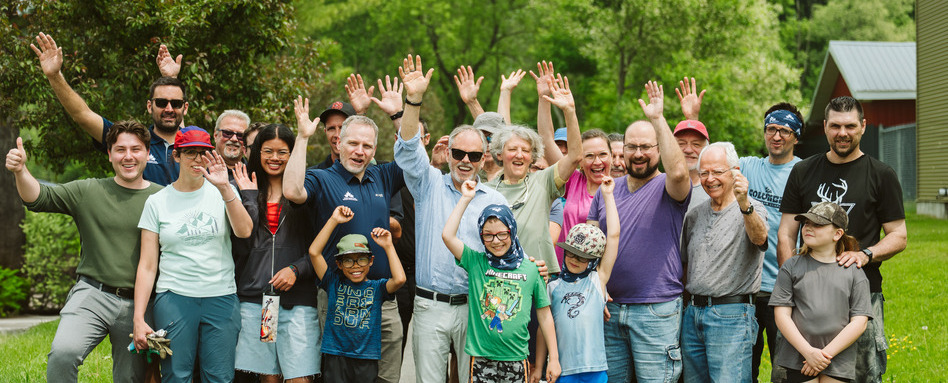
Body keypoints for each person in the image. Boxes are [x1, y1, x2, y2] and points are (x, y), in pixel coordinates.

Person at [6, 121, 163, 383]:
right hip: (92, 294)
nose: (128, 156)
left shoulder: (163, 198)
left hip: (141, 303)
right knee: (63, 354)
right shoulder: (88, 190)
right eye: (120, 149)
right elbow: (38, 198)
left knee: (131, 378)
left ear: (148, 154)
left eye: (136, 149)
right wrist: (21, 170)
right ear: (109, 154)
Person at [395, 54, 509, 383]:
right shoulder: (428, 184)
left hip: (476, 305)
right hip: (430, 305)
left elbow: (505, 253)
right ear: (448, 152)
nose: (465, 160)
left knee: (476, 379)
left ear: (482, 158)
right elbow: (406, 149)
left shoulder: (496, 200)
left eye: (473, 155)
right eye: (458, 153)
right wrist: (413, 100)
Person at [778, 96, 907, 383]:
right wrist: (793, 280)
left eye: (850, 126)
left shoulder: (882, 175)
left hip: (861, 295)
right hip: (806, 297)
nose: (842, 133)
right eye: (835, 126)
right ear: (824, 127)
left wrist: (866, 254)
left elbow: (898, 235)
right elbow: (786, 231)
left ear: (863, 126)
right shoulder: (803, 171)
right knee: (798, 372)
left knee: (862, 374)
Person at [285, 97, 407, 383]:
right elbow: (292, 191)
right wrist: (303, 137)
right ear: (338, 143)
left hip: (382, 298)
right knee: (338, 378)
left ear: (374, 150)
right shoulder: (321, 178)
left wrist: (400, 114)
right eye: (353, 144)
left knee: (387, 377)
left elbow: (412, 156)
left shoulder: (384, 176)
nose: (359, 151)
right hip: (337, 298)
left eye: (367, 146)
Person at [585, 81, 691, 382]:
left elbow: (680, 172)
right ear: (622, 151)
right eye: (632, 147)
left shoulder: (669, 187)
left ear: (658, 148)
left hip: (655, 310)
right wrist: (595, 285)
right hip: (609, 309)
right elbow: (589, 248)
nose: (638, 153)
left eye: (646, 146)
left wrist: (658, 120)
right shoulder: (608, 189)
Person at [132, 126, 253, 382]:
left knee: (219, 377)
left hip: (221, 296)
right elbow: (147, 265)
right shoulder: (157, 201)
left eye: (204, 153)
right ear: (176, 156)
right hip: (175, 298)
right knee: (176, 375)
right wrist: (139, 318)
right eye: (190, 153)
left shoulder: (224, 192)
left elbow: (244, 231)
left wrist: (224, 189)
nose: (198, 159)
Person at [442, 182, 560, 383]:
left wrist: (554, 359)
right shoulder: (476, 262)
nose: (496, 241)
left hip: (516, 359)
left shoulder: (531, 268)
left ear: (512, 232)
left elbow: (545, 315)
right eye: (488, 235)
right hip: (481, 359)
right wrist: (465, 198)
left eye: (502, 234)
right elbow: (447, 236)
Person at [31, 32, 187, 185]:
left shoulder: (197, 148)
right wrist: (54, 76)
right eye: (161, 102)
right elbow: (82, 115)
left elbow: (184, 134)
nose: (169, 109)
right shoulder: (132, 142)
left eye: (176, 104)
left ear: (184, 108)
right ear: (149, 106)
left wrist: (172, 79)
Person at [231, 124, 320, 382]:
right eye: (268, 151)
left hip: (298, 301)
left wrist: (297, 269)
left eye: (283, 152)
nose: (275, 158)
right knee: (269, 377)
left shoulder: (306, 192)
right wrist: (248, 197)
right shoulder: (245, 189)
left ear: (293, 155)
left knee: (299, 377)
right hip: (259, 302)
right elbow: (241, 247)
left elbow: (321, 246)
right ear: (257, 152)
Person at [680, 142, 768, 383]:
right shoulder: (694, 214)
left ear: (735, 171)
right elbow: (686, 266)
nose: (710, 179)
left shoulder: (752, 209)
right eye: (704, 172)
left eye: (717, 172)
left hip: (731, 315)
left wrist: (745, 205)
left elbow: (760, 238)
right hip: (693, 315)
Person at [485, 75, 581, 275]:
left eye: (525, 150)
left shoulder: (544, 181)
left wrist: (569, 111)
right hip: (497, 280)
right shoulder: (486, 191)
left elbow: (574, 156)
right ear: (500, 154)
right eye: (513, 149)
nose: (519, 154)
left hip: (538, 277)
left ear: (532, 157)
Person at [770, 202, 871, 383]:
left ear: (837, 234)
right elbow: (782, 316)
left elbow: (859, 322)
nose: (808, 228)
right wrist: (808, 352)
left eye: (818, 224)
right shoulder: (791, 267)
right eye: (806, 223)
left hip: (838, 357)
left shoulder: (854, 272)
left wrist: (825, 355)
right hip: (798, 356)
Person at [741, 103, 805, 382]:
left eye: (784, 131)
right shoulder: (746, 166)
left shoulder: (805, 172)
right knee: (745, 368)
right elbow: (705, 159)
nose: (776, 136)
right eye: (771, 129)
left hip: (786, 289)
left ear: (796, 137)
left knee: (784, 370)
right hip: (746, 289)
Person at [535, 175, 620, 383]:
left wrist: (608, 196)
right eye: (571, 253)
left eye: (583, 257)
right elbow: (543, 330)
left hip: (596, 370)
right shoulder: (552, 286)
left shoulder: (597, 280)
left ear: (592, 261)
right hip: (563, 370)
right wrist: (539, 366)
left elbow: (614, 236)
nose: (574, 259)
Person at [309, 206, 407, 383]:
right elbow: (314, 252)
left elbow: (399, 279)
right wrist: (334, 220)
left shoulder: (377, 288)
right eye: (348, 260)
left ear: (371, 261)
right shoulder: (333, 283)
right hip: (336, 355)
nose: (355, 266)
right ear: (339, 264)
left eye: (361, 259)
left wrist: (388, 245)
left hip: (367, 358)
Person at [673, 77, 710, 211]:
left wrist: (693, 119)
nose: (688, 150)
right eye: (681, 144)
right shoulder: (661, 185)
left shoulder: (714, 189)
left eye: (696, 144)